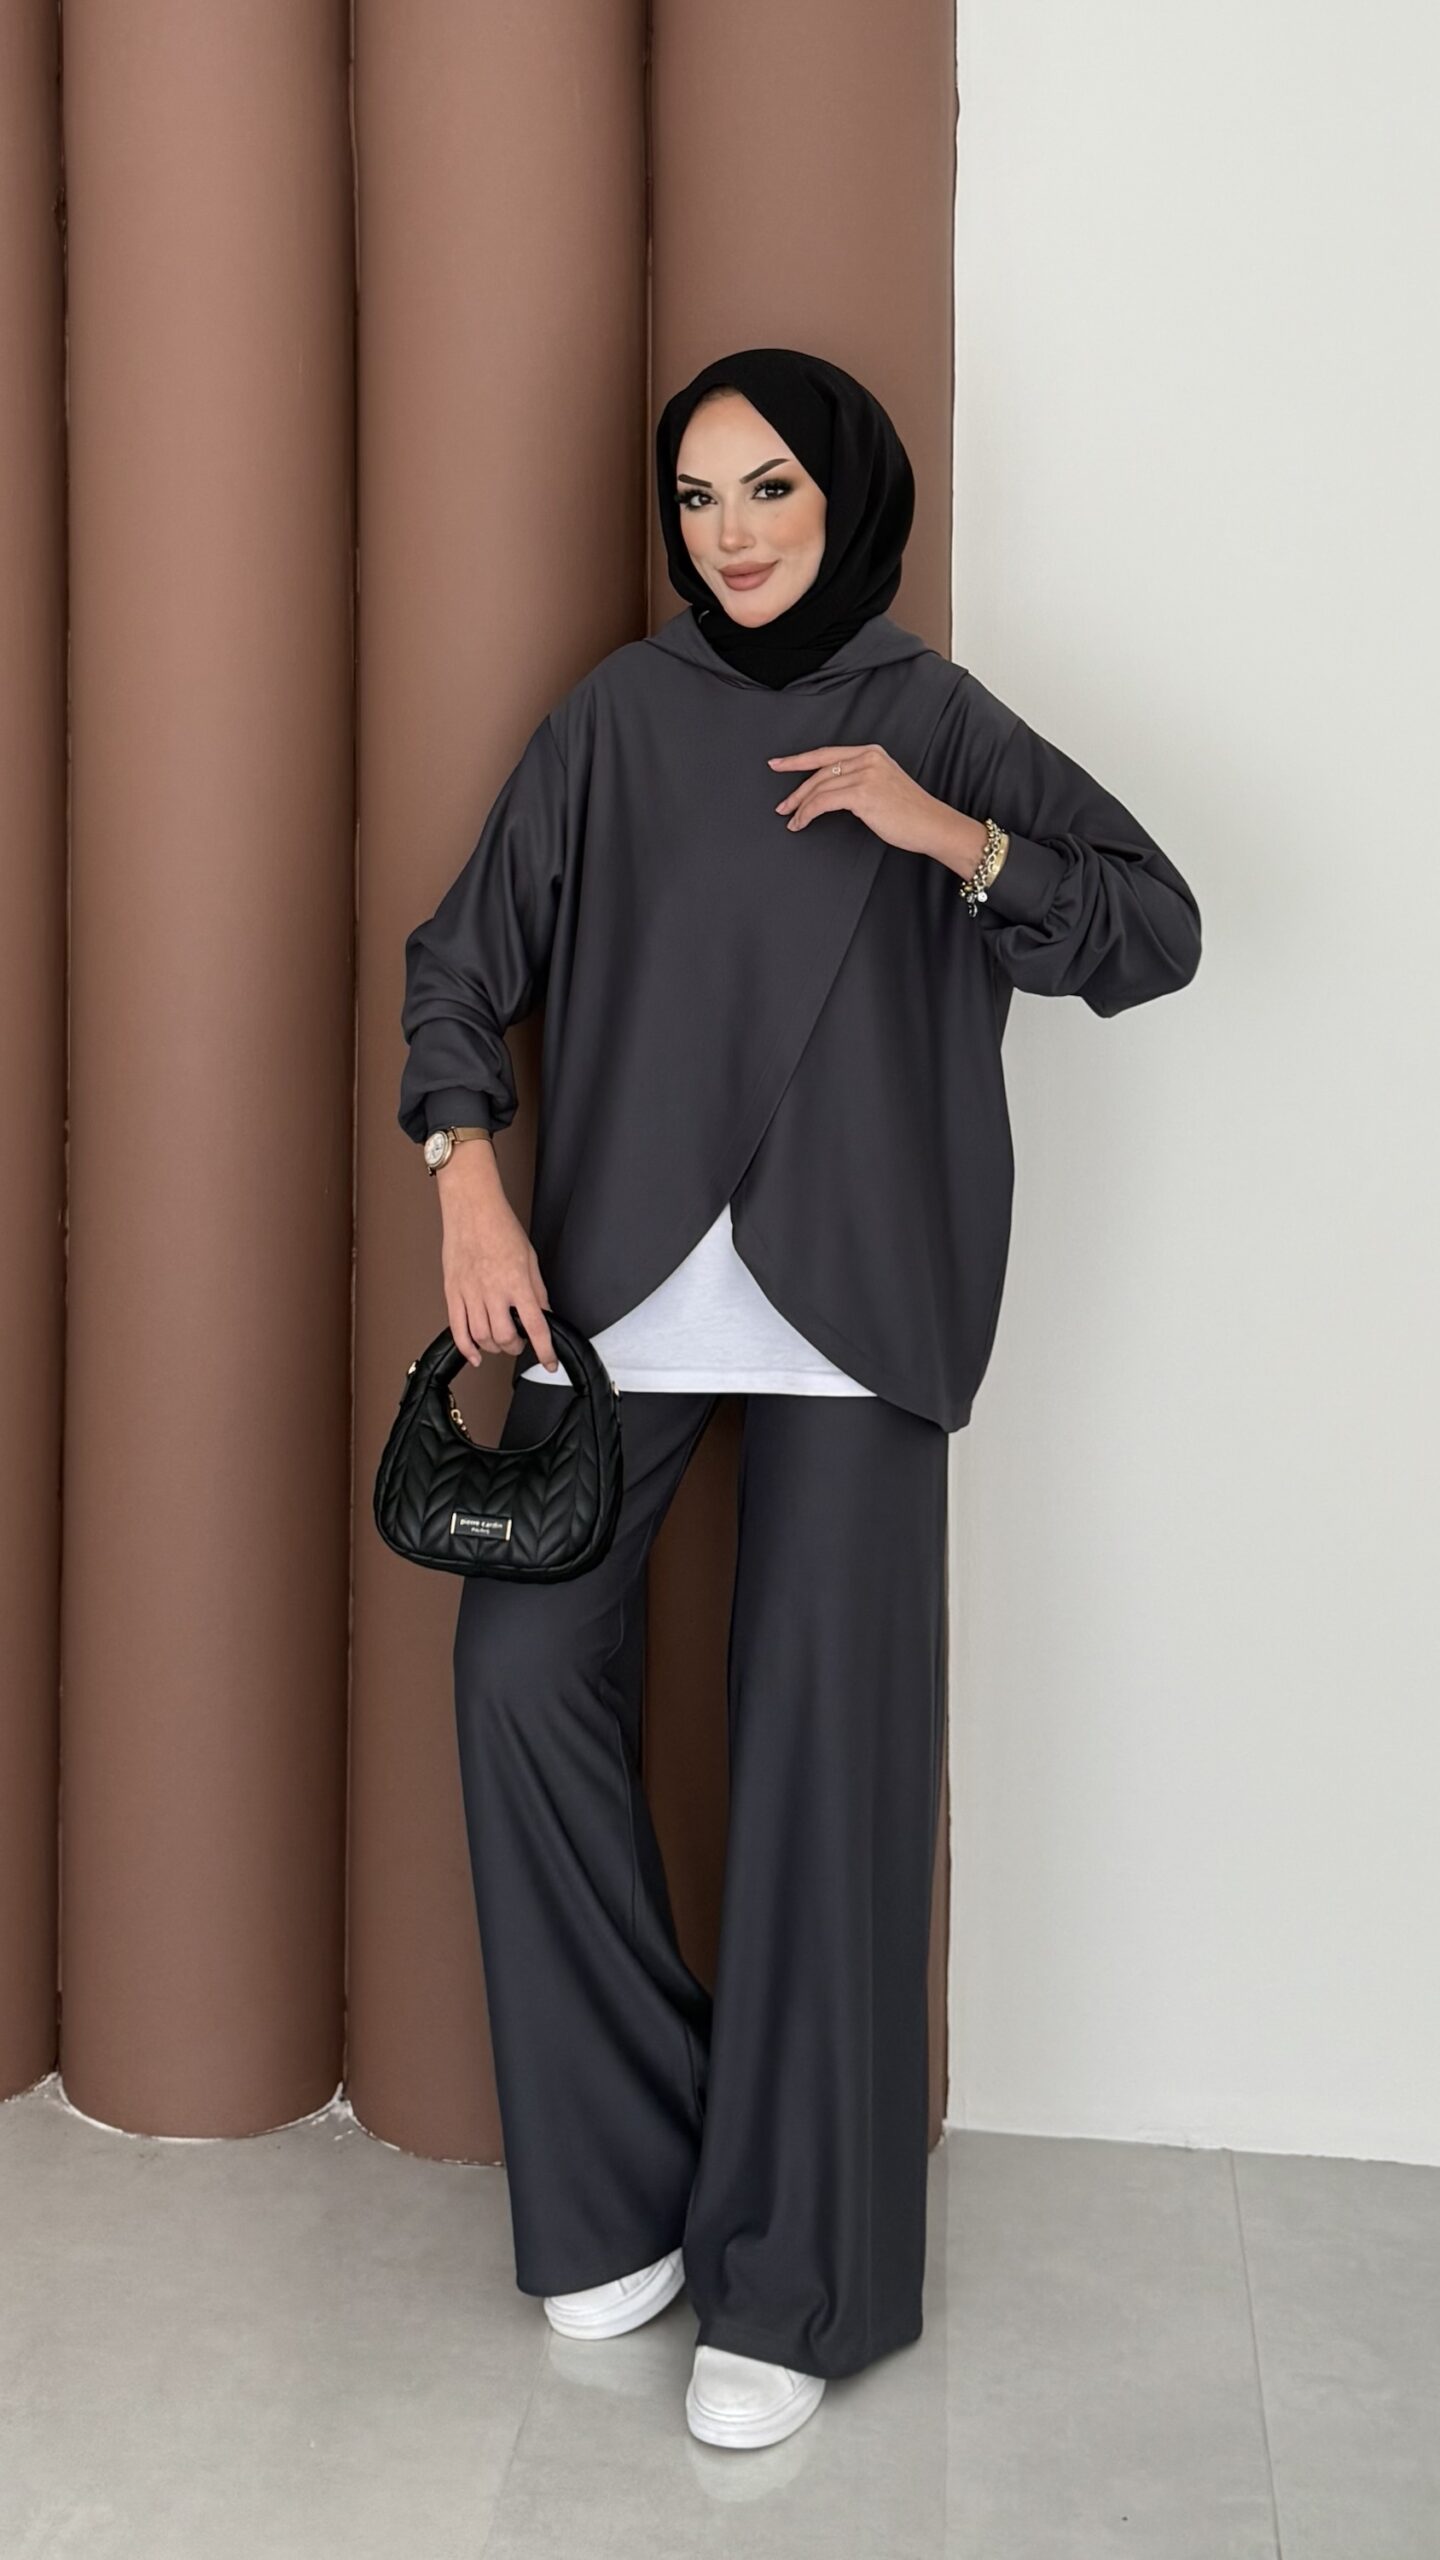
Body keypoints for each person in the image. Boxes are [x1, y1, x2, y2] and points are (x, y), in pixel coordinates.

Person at [396, 347, 1202, 2450]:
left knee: (825, 1763)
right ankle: (627, 2178)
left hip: (861, 1304)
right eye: (697, 497)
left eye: (769, 488)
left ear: (847, 495)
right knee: (515, 1674)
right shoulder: (618, 718)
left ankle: (801, 2276)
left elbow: (1155, 930)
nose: (733, 533)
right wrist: (468, 1179)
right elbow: (459, 960)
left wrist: (952, 836)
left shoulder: (933, 711)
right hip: (620, 1301)